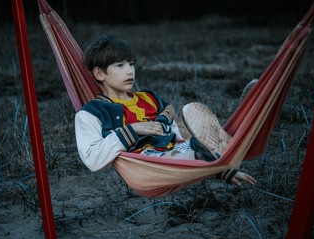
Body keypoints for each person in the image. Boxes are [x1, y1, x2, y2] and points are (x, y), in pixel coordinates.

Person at [75, 35, 256, 187]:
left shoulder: (149, 98)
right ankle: (229, 137)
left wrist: (223, 171)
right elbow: (93, 160)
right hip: (146, 164)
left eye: (131, 64)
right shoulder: (92, 112)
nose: (129, 71)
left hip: (174, 154)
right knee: (189, 149)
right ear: (99, 74)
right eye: (120, 66)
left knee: (189, 146)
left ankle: (239, 127)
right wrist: (134, 129)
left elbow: (175, 136)